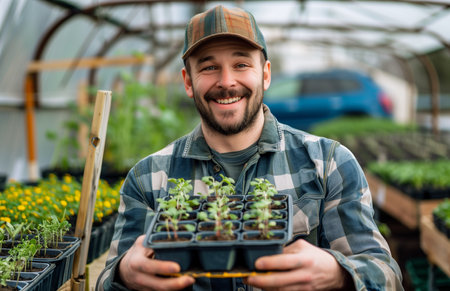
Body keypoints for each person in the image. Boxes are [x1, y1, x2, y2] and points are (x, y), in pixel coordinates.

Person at [97, 5, 403, 291]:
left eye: (241, 64)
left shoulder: (329, 163)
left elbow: (385, 273)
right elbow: (107, 278)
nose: (227, 81)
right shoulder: (147, 178)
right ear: (188, 82)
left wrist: (339, 274)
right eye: (209, 68)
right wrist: (124, 273)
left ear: (266, 74)